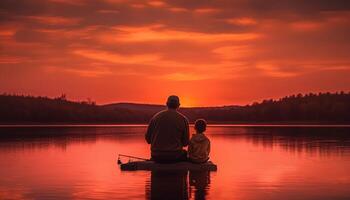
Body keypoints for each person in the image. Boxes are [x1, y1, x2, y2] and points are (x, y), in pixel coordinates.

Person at [145, 95, 190, 163]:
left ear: (166, 104)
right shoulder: (183, 119)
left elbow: (148, 140)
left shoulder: (155, 117)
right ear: (178, 105)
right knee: (187, 154)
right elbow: (185, 143)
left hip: (156, 156)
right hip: (175, 156)